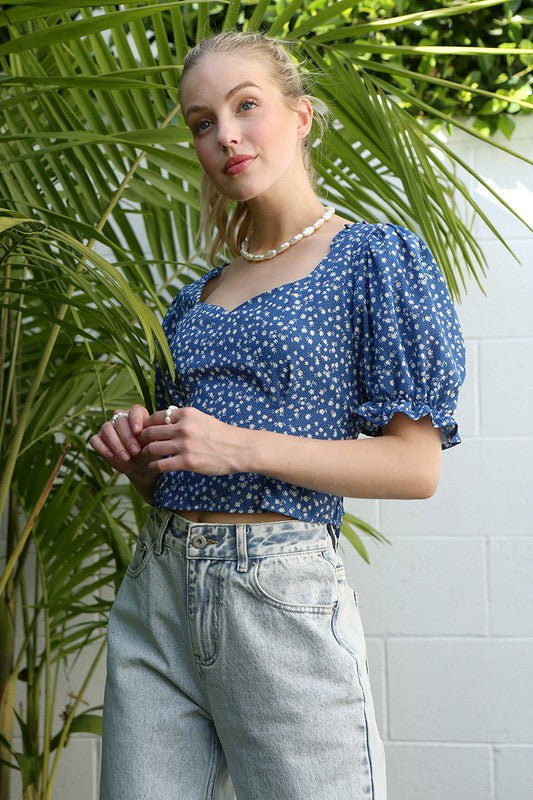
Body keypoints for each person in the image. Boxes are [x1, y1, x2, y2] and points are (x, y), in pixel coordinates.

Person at [91, 30, 466, 800]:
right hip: (156, 590)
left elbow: (415, 466)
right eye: (202, 121)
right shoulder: (190, 300)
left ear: (300, 115)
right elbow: (179, 478)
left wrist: (240, 447)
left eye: (245, 105)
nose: (224, 134)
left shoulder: (372, 259)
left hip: (277, 596)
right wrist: (142, 460)